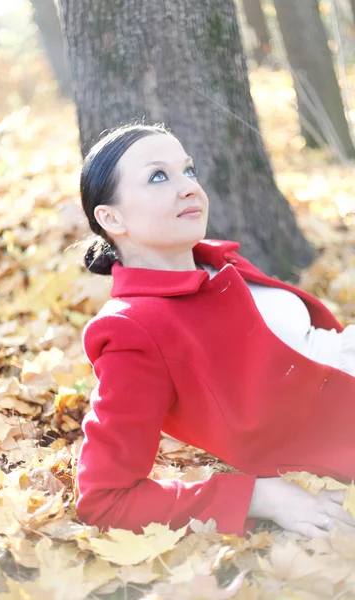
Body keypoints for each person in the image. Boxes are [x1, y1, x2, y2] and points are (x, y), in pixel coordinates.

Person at [75, 123, 355, 540]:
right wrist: (261, 497)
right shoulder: (131, 330)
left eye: (188, 170)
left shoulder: (213, 261)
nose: (189, 187)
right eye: (158, 176)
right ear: (111, 217)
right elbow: (104, 498)